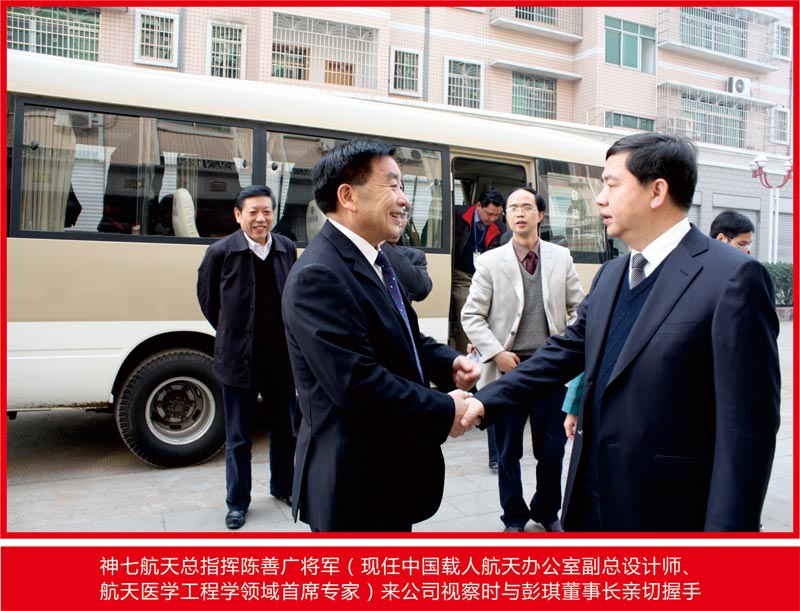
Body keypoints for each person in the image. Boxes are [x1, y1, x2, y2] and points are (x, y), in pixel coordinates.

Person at [462, 132, 780, 532]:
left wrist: (724, 543)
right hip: (591, 503)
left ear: (657, 191)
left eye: (611, 185)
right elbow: (562, 353)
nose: (600, 199)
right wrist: (484, 401)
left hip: (666, 514)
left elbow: (746, 431)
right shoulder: (612, 274)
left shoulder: (732, 278)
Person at [282, 137, 480, 532]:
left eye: (402, 186)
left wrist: (449, 363)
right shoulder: (319, 274)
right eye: (392, 185)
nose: (403, 199)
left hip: (388, 475)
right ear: (348, 196)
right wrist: (445, 410)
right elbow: (357, 383)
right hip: (354, 484)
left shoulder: (376, 259)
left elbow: (404, 337)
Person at [461, 187, 585, 533]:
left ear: (540, 215)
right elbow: (471, 316)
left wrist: (562, 348)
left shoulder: (561, 257)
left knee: (552, 449)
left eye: (526, 207)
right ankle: (513, 516)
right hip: (508, 371)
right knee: (507, 450)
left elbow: (579, 310)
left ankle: (547, 510)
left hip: (551, 369)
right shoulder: (489, 262)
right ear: (507, 216)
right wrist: (497, 353)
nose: (518, 212)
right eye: (513, 207)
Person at [196, 185, 297, 530]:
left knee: (285, 430)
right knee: (239, 437)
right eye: (253, 212)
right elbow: (209, 301)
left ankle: (284, 486)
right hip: (239, 359)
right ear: (238, 215)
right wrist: (233, 332)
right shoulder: (220, 252)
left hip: (281, 359)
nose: (260, 218)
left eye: (266, 211)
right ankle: (237, 502)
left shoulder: (285, 248)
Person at [450, 188, 507, 353]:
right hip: (461, 275)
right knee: (467, 314)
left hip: (485, 277)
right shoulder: (457, 215)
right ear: (479, 205)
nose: (492, 219)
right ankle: (465, 357)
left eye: (497, 215)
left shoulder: (500, 227)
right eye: (489, 214)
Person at [380, 211, 433, 302]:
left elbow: (421, 290)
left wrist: (382, 246)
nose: (399, 221)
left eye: (403, 216)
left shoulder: (414, 256)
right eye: (393, 215)